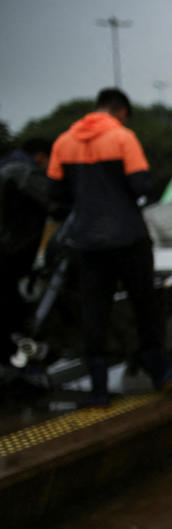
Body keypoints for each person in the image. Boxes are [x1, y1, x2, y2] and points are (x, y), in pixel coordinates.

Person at [47, 88, 172, 406]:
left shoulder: (64, 141)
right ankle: (158, 369)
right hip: (129, 237)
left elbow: (54, 193)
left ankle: (99, 388)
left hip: (87, 242)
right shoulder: (123, 137)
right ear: (121, 112)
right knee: (144, 303)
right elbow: (142, 186)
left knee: (94, 311)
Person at [1, 137, 66, 365]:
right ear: (41, 156)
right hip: (10, 251)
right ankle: (18, 360)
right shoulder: (25, 173)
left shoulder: (6, 166)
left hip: (7, 250)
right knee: (12, 307)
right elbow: (54, 204)